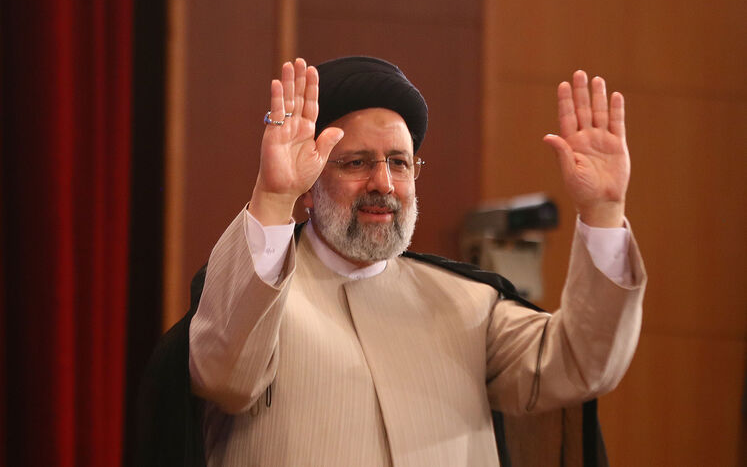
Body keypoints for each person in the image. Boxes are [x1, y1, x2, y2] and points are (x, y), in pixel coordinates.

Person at [139, 56, 646, 467]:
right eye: (357, 162)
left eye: (399, 163)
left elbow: (582, 364)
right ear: (310, 186)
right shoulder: (256, 295)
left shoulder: (470, 304)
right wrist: (272, 198)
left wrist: (604, 211)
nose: (383, 183)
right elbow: (224, 378)